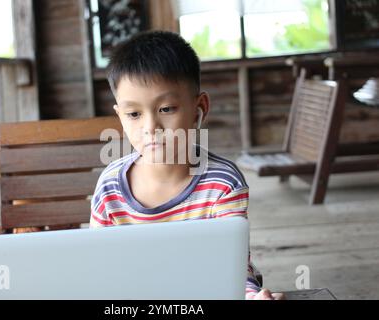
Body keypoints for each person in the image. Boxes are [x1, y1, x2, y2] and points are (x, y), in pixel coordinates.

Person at [90, 30, 284, 300]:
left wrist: (251, 296)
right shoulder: (110, 187)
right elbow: (99, 267)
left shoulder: (222, 184)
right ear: (120, 116)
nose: (150, 127)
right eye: (133, 114)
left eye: (166, 109)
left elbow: (232, 266)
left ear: (198, 108)